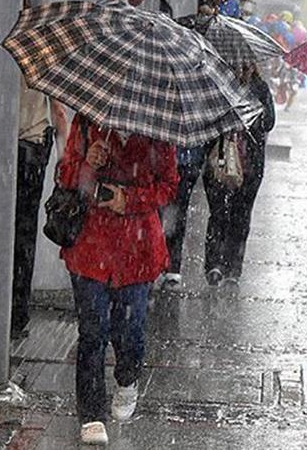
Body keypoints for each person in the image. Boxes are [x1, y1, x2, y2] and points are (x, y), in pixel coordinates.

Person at [57, 114, 178, 445]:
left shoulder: (159, 130)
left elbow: (169, 186)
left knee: (131, 330)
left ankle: (128, 377)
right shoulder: (87, 123)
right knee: (92, 331)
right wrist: (86, 163)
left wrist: (130, 200)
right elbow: (66, 175)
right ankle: (91, 413)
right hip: (90, 247)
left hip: (137, 251)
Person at [163, 64, 273, 287]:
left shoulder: (260, 89)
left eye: (246, 62)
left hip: (250, 164)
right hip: (219, 160)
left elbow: (268, 122)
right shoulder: (218, 84)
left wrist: (247, 116)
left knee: (241, 217)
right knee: (218, 214)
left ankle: (233, 267)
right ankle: (213, 265)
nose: (242, 67)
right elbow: (208, 119)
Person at [11, 0, 69, 340]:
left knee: (7, 231)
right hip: (33, 147)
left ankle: (6, 309)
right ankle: (17, 313)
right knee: (24, 231)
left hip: (5, 149)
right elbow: (58, 109)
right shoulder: (41, 47)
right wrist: (65, 156)